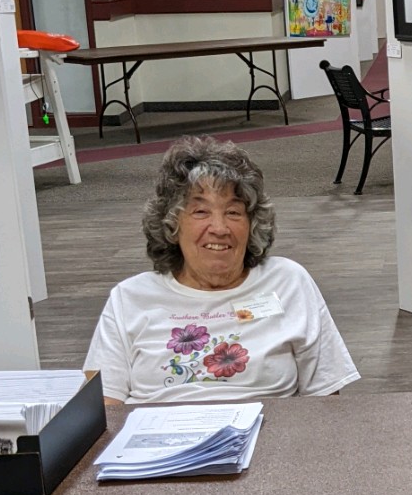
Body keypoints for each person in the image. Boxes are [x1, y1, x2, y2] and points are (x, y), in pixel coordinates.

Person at [85, 136, 359, 405]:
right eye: (200, 212)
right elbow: (104, 407)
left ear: (252, 223)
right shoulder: (130, 298)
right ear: (171, 224)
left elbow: (325, 402)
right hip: (156, 432)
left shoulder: (287, 282)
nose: (219, 228)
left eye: (233, 212)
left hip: (267, 430)